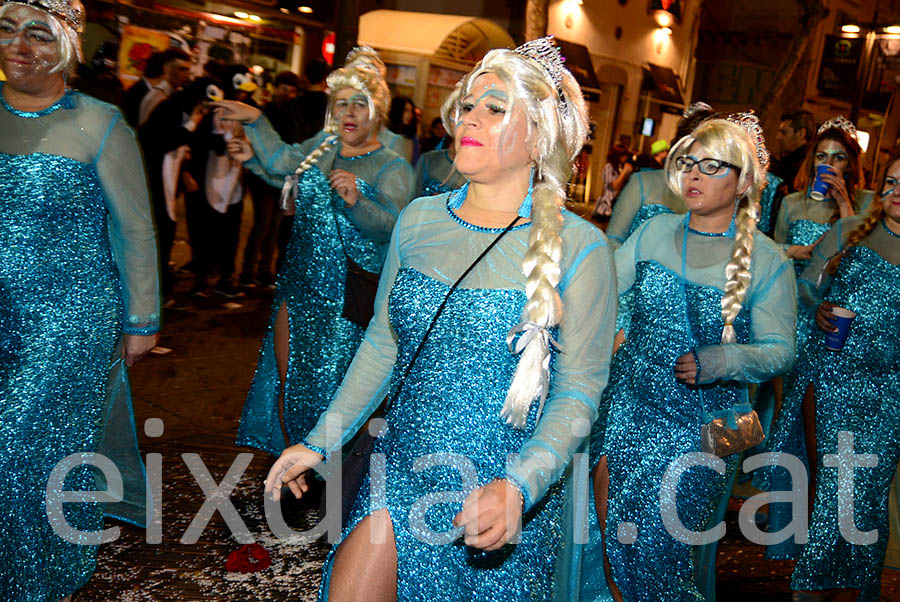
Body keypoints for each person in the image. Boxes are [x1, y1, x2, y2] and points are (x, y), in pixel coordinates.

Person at [263, 38, 616, 601]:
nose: (469, 118)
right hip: (400, 471)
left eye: (495, 108)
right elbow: (383, 344)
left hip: (497, 494)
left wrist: (520, 487)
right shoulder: (418, 220)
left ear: (540, 134)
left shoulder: (582, 249)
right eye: (468, 104)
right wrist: (319, 442)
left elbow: (579, 390)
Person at [586, 116, 796, 601]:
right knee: (609, 541)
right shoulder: (655, 229)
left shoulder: (767, 260)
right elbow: (603, 291)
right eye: (689, 163)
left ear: (743, 182)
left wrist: (724, 360)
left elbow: (781, 351)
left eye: (712, 166)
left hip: (703, 428)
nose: (694, 175)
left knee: (661, 557)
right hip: (625, 411)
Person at [0, 0, 160, 599]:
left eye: (37, 34)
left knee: (16, 439)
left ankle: (35, 575)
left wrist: (141, 318)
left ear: (65, 46)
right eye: (8, 30)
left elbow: (136, 229)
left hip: (69, 319)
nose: (19, 45)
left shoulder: (101, 123)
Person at [216, 52, 414, 454]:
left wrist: (358, 200)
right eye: (341, 103)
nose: (349, 112)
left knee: (334, 385)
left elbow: (393, 228)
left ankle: (330, 472)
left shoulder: (392, 165)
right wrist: (254, 136)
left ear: (377, 112)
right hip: (300, 284)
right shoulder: (322, 147)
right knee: (290, 377)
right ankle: (296, 463)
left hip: (346, 296)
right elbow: (284, 165)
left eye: (360, 103)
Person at [772, 156, 900, 601]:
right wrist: (819, 306)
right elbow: (806, 284)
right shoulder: (850, 232)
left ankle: (854, 588)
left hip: (889, 389)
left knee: (867, 494)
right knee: (835, 487)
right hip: (830, 375)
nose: (896, 191)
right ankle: (810, 587)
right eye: (890, 181)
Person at [240, 70, 301, 288]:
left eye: (291, 90)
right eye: (284, 89)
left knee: (275, 225)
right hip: (263, 178)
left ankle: (265, 271)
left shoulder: (293, 114)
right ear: (275, 89)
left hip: (283, 179)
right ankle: (248, 272)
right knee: (263, 224)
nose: (287, 94)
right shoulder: (266, 114)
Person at [137, 47, 191, 127]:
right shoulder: (158, 96)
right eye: (182, 69)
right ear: (167, 68)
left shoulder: (172, 94)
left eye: (188, 70)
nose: (187, 75)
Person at [592, 144, 633, 218]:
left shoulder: (620, 167)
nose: (626, 158)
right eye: (624, 156)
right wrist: (624, 172)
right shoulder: (609, 167)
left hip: (617, 202)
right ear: (618, 157)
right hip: (607, 204)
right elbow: (613, 186)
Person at [388, 95, 419, 164]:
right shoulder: (385, 133)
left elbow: (414, 161)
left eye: (411, 111)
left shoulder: (412, 137)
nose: (409, 114)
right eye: (406, 110)